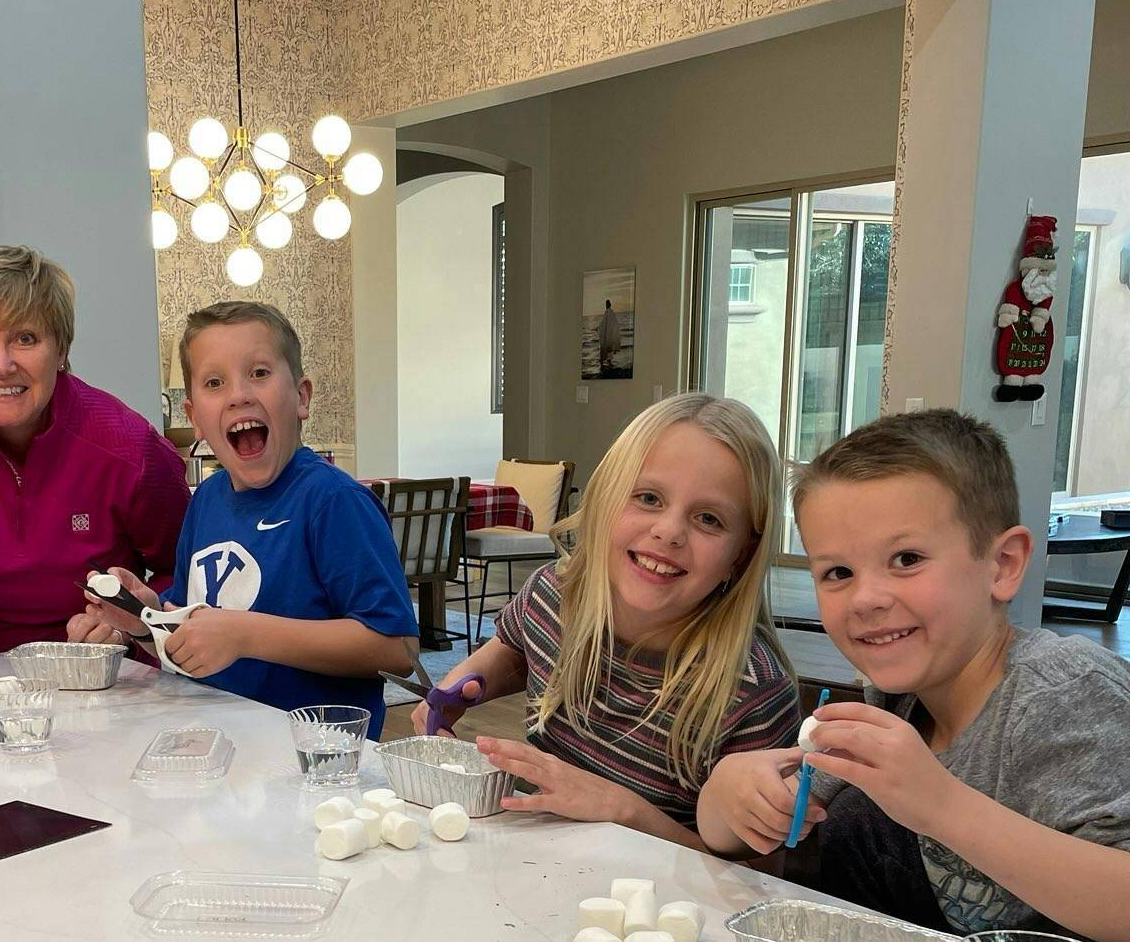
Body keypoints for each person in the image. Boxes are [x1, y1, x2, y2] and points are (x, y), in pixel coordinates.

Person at [696, 410, 1130, 942]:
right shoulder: (893, 704)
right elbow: (742, 835)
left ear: (1003, 565)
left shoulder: (1066, 697)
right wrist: (727, 794)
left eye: (906, 558)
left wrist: (942, 807)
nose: (867, 599)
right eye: (838, 573)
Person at [415, 393, 800, 848]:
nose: (669, 531)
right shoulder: (551, 595)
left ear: (744, 552)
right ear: (603, 500)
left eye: (709, 519)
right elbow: (514, 648)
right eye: (649, 498)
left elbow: (761, 877)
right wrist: (464, 684)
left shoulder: (754, 693)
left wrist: (623, 810)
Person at [83, 301, 416, 739]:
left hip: (314, 762)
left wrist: (246, 635)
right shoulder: (204, 502)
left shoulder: (333, 501)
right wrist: (145, 621)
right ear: (195, 417)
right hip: (217, 745)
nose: (238, 394)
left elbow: (398, 650)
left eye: (259, 373)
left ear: (301, 397)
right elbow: (191, 632)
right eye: (215, 382)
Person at [0, 246, 189, 654]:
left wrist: (134, 615)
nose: (2, 364)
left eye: (25, 338)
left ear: (61, 350)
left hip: (100, 673)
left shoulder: (129, 443)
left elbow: (185, 570)